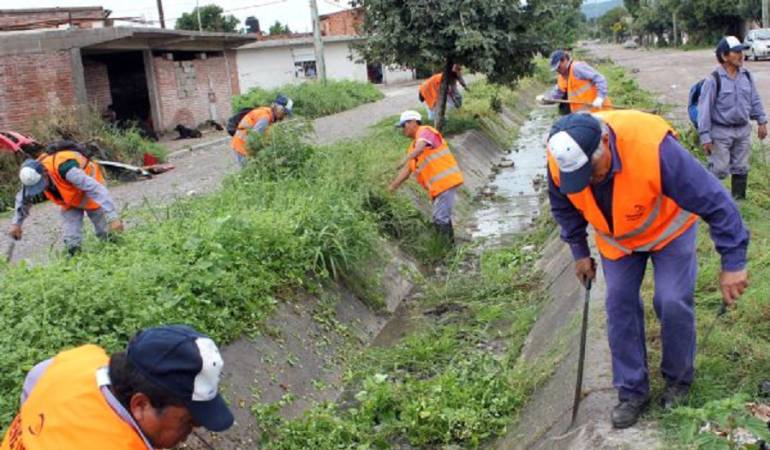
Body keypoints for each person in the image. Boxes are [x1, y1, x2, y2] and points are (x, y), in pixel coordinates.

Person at [546, 112, 749, 429]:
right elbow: (563, 205)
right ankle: (632, 392)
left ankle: (678, 381)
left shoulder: (653, 147)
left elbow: (716, 201)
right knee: (619, 304)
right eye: (579, 176)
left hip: (669, 230)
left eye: (592, 172)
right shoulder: (561, 155)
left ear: (604, 141)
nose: (587, 180)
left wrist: (733, 261)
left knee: (671, 300)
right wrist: (579, 251)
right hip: (618, 240)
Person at [1, 325, 234, 450]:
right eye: (188, 422)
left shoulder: (78, 361)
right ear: (141, 405)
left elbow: (32, 382)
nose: (189, 434)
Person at [8, 145, 124, 256]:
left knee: (105, 232)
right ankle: (75, 261)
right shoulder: (31, 175)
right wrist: (16, 223)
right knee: (71, 240)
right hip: (69, 200)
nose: (41, 188)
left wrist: (112, 217)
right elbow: (23, 198)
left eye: (40, 184)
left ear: (45, 173)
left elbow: (95, 189)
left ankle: (118, 253)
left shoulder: (66, 168)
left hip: (90, 194)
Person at [697, 36, 767, 200]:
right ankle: (712, 203)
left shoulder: (746, 76)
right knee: (719, 169)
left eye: (741, 51)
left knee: (741, 167)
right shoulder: (713, 80)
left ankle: (739, 204)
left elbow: (754, 99)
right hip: (721, 132)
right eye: (736, 52)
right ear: (724, 56)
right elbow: (704, 110)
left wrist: (762, 121)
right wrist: (705, 137)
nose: (741, 55)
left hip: (742, 130)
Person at [388, 110, 464, 241]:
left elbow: (420, 148)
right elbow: (406, 172)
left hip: (446, 183)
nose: (402, 129)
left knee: (440, 218)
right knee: (441, 217)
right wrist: (391, 188)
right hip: (438, 188)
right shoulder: (413, 147)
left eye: (403, 125)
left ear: (413, 122)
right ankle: (448, 250)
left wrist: (403, 159)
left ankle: (447, 251)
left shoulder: (426, 131)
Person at [538, 49, 612, 113]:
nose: (558, 70)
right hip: (583, 116)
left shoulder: (577, 67)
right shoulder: (562, 77)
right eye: (556, 69)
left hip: (600, 111)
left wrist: (600, 98)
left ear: (564, 60)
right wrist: (545, 99)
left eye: (559, 67)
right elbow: (556, 94)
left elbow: (600, 79)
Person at [230, 94, 293, 168]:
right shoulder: (265, 118)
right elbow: (254, 139)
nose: (284, 115)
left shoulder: (269, 113)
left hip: (244, 145)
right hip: (242, 147)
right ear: (277, 107)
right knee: (248, 172)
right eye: (284, 112)